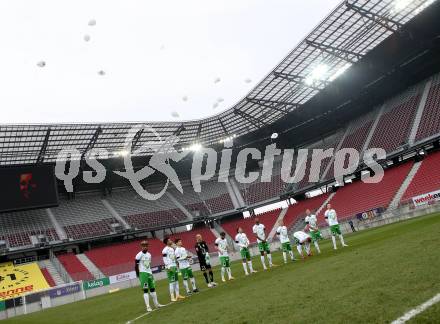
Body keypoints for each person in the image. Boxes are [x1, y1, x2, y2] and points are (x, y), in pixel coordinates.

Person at [135, 240, 164, 312]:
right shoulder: (139, 255)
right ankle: (148, 307)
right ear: (141, 247)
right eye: (143, 246)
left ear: (148, 246)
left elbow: (148, 265)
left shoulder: (149, 255)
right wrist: (138, 275)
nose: (145, 247)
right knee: (145, 290)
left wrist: (150, 273)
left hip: (149, 273)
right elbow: (136, 266)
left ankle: (156, 304)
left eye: (146, 245)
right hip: (143, 273)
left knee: (153, 289)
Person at [162, 238, 184, 302]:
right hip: (170, 267)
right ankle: (172, 297)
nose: (171, 241)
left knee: (176, 281)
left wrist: (177, 265)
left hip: (174, 266)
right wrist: (168, 267)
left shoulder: (172, 249)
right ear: (166, 242)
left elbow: (174, 258)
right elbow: (164, 259)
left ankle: (177, 295)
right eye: (169, 240)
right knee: (172, 282)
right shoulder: (164, 250)